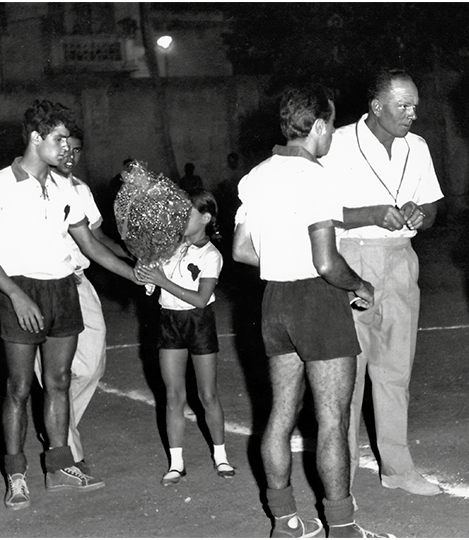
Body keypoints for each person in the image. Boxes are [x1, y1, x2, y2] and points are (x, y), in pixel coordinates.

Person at [232, 84, 392, 538]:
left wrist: (284, 259)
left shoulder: (257, 175)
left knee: (280, 414)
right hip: (317, 301)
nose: (332, 138)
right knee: (332, 420)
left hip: (274, 301)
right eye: (331, 127)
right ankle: (342, 528)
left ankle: (285, 522)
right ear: (319, 126)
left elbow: (242, 251)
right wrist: (360, 284)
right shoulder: (319, 177)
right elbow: (325, 262)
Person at [0, 99, 140, 510]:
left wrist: (133, 274)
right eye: (59, 139)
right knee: (19, 387)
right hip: (21, 291)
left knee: (59, 381)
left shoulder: (68, 187)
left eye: (69, 139)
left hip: (63, 287)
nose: (67, 148)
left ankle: (60, 467)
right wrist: (15, 294)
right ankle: (15, 475)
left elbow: (90, 246)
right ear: (35, 138)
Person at [319, 68, 444, 497]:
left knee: (395, 369)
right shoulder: (336, 144)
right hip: (351, 261)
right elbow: (315, 211)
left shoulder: (417, 147)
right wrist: (369, 214)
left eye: (414, 106)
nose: (411, 113)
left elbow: (432, 207)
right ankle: (343, 475)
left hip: (400, 261)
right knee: (348, 374)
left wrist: (418, 214)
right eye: (402, 106)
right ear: (376, 106)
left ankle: (397, 467)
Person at [33, 125, 131, 482]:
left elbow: (96, 237)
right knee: (55, 375)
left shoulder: (81, 189)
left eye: (76, 150)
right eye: (65, 147)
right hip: (45, 286)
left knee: (91, 367)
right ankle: (66, 451)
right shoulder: (37, 189)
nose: (69, 155)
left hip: (79, 282)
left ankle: (55, 426)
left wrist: (135, 257)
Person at [135, 189, 236, 485]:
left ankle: (221, 457)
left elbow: (202, 299)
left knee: (207, 394)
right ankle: (176, 464)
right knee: (174, 394)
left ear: (205, 218)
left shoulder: (211, 255)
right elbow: (152, 283)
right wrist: (146, 275)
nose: (180, 219)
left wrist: (162, 281)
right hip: (170, 321)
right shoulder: (168, 247)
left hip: (198, 322)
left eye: (187, 213)